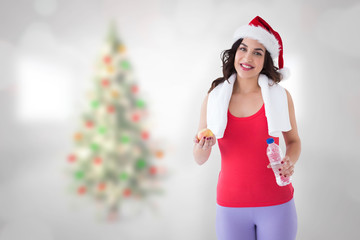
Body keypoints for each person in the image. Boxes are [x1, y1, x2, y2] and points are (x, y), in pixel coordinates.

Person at [193, 16, 301, 240]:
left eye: (257, 52)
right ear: (235, 52)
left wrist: (289, 159)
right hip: (230, 207)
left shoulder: (280, 96)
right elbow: (200, 158)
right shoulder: (214, 98)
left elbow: (294, 141)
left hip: (277, 204)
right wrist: (204, 146)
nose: (247, 57)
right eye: (243, 48)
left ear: (266, 61)